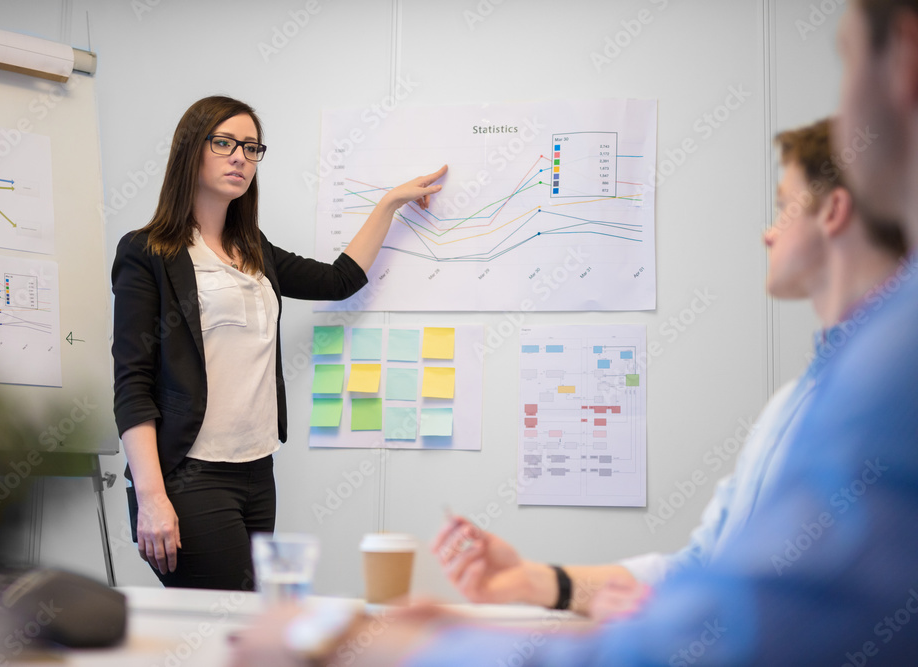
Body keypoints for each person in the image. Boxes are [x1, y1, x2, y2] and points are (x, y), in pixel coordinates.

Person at [228, 1, 918, 661]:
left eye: (847, 56)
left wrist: (415, 650)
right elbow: (707, 570)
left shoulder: (886, 375)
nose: (766, 230)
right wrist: (543, 582)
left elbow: (746, 634)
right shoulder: (808, 396)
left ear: (904, 62)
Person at [429, 118, 907, 622]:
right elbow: (703, 565)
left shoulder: (882, 405)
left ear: (833, 211)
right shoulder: (790, 406)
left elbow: (791, 617)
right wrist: (531, 580)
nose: (768, 234)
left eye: (784, 206)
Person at [111, 95, 446, 590]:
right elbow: (132, 383)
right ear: (190, 151)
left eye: (250, 147)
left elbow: (338, 280)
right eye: (223, 143)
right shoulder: (148, 252)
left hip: (257, 472)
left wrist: (389, 204)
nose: (239, 157)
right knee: (227, 621)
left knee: (250, 620)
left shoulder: (255, 250)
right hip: (188, 475)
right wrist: (153, 496)